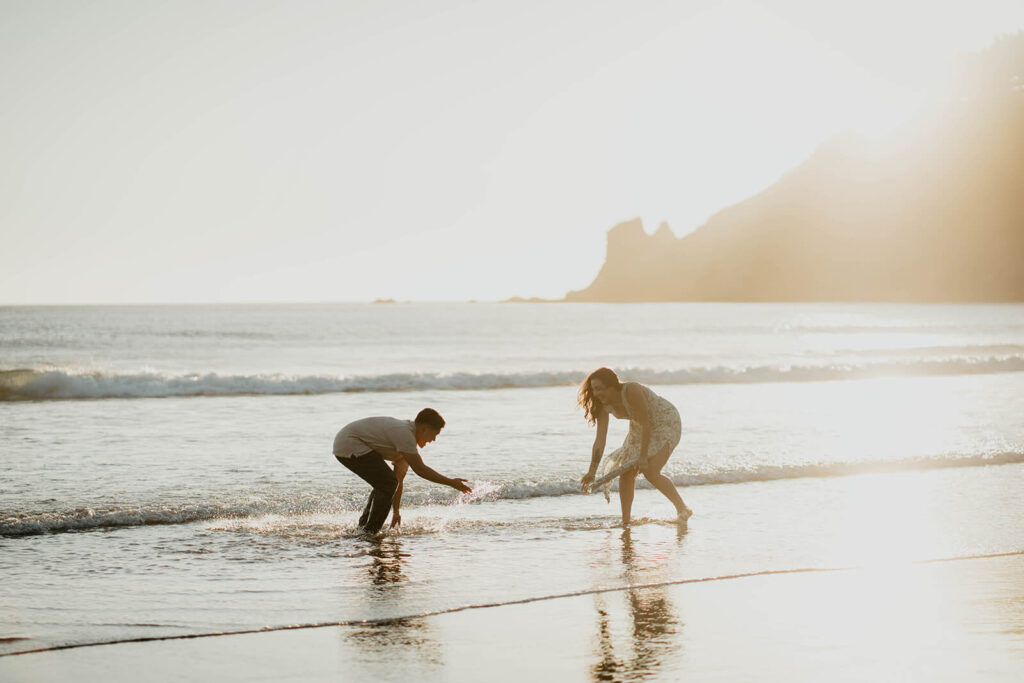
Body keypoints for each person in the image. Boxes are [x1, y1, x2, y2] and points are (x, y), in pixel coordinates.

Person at [578, 367, 692, 526]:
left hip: (665, 422)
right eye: (593, 389)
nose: (596, 394)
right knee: (625, 473)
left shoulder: (631, 390)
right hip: (639, 429)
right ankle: (626, 521)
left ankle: (682, 509)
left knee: (650, 470)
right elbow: (600, 439)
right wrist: (592, 471)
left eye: (599, 389)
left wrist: (643, 456)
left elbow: (647, 422)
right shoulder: (602, 404)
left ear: (611, 386)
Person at [333, 408, 471, 534]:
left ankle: (364, 529)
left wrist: (396, 511)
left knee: (385, 483)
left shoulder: (406, 447)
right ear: (424, 429)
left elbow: (397, 482)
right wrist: (451, 482)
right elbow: (420, 470)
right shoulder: (404, 434)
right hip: (349, 443)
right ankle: (370, 531)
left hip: (350, 445)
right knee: (386, 482)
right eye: (434, 434)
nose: (433, 440)